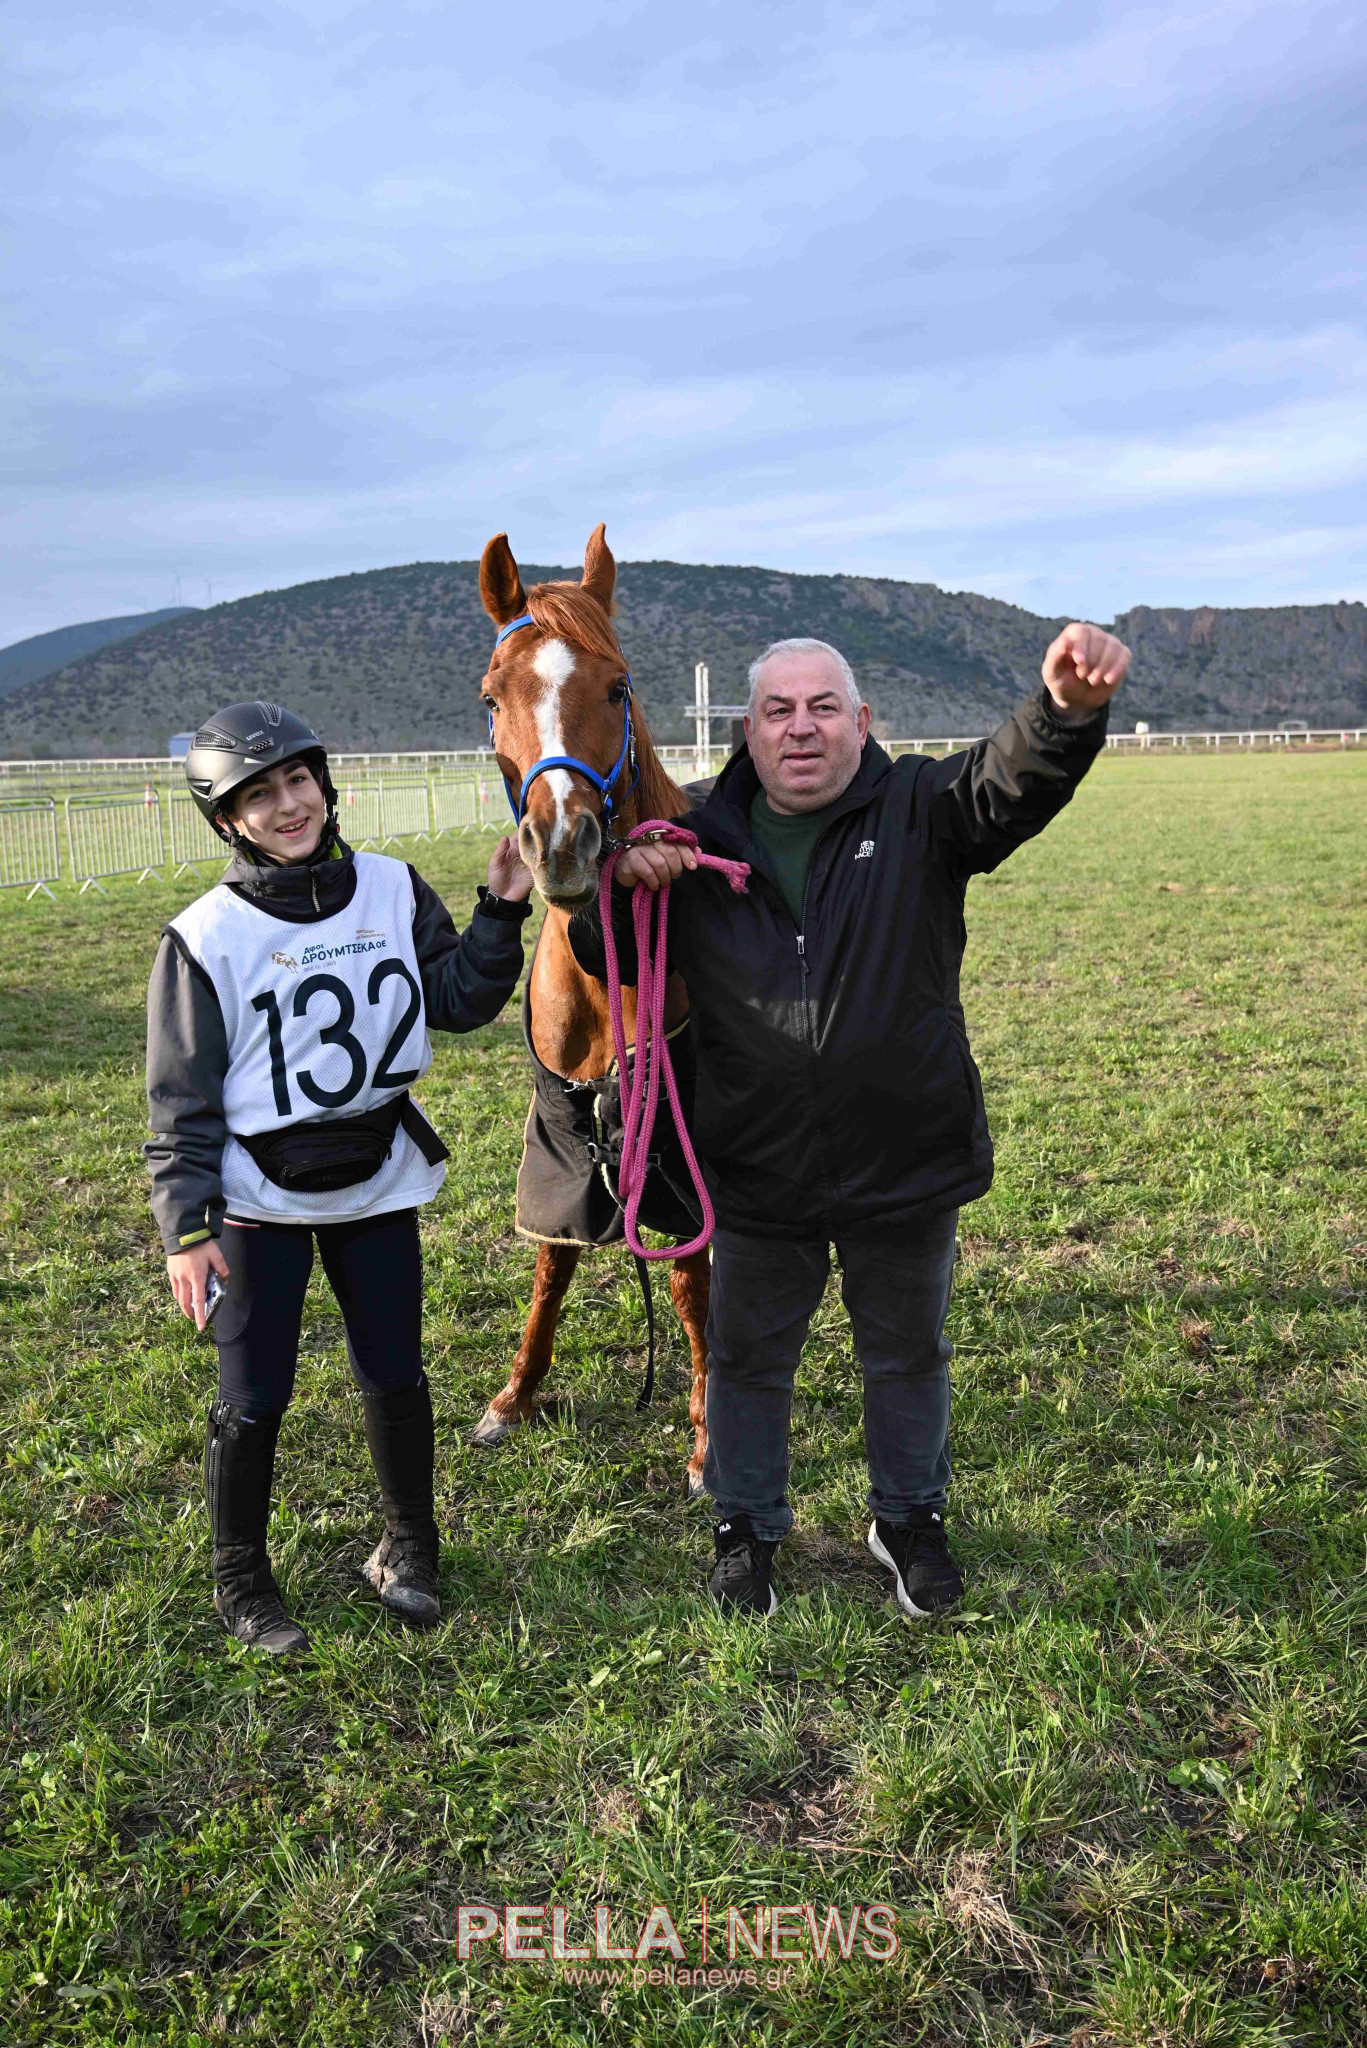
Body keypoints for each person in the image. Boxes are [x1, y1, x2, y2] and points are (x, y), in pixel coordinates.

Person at [569, 625, 1129, 1618]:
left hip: (902, 1156)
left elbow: (1010, 781)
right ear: (749, 729)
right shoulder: (690, 834)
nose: (800, 728)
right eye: (778, 710)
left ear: (860, 722)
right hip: (755, 1162)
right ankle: (744, 1526)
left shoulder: (921, 808)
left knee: (906, 1353)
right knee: (747, 1360)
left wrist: (1063, 712)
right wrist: (616, 884)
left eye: (822, 707)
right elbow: (602, 949)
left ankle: (906, 1519)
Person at [145, 701, 533, 1654]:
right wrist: (186, 1229)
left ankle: (411, 1543)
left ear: (324, 781)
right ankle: (241, 1577)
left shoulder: (395, 889)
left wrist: (500, 908)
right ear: (226, 819)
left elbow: (457, 1001)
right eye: (259, 795)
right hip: (256, 1199)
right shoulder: (203, 935)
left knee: (395, 1373)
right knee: (254, 1394)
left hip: (375, 1182)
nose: (288, 805)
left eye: (297, 780)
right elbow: (179, 1099)